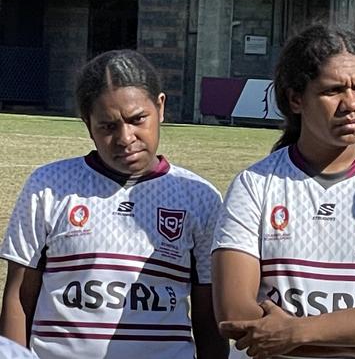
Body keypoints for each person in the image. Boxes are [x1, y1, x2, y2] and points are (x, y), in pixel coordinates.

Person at [211, 23, 355, 359]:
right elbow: (235, 313)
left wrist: (296, 333)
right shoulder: (255, 184)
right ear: (296, 98)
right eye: (333, 91)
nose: (351, 104)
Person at [0, 49, 229, 359]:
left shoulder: (199, 196)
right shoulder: (49, 185)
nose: (125, 137)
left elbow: (207, 314)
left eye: (137, 120)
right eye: (108, 126)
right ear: (87, 124)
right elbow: (18, 296)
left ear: (160, 107)